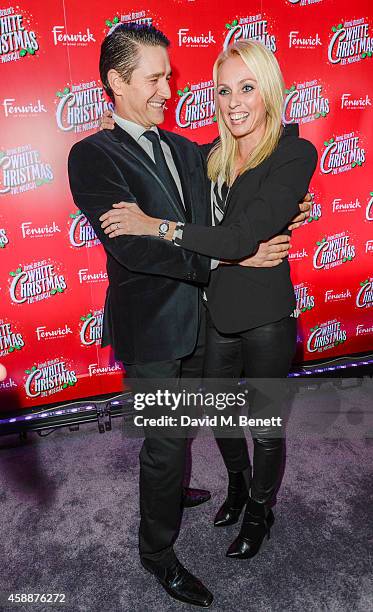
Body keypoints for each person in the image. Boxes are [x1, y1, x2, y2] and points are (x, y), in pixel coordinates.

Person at [69, 24, 311, 607]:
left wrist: (277, 214)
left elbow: (239, 176)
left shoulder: (180, 147)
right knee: (165, 441)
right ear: (116, 83)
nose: (166, 90)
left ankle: (179, 490)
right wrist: (237, 257)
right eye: (153, 79)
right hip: (151, 328)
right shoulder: (90, 155)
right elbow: (135, 247)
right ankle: (157, 554)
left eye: (169, 78)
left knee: (204, 422)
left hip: (202, 322)